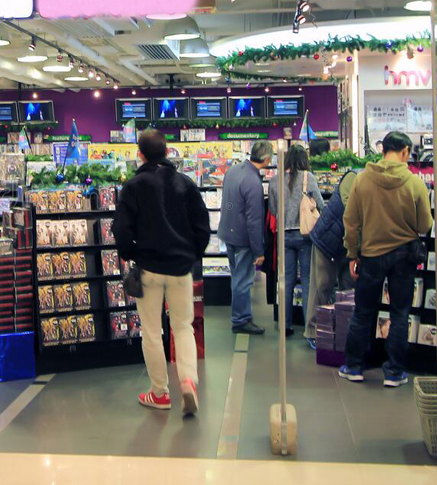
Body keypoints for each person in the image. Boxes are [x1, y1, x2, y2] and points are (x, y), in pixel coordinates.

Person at [112, 130, 210, 415]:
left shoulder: (133, 186)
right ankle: (188, 381)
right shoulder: (185, 184)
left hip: (149, 268)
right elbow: (202, 226)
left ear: (140, 155)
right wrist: (192, 254)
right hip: (181, 268)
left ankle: (160, 393)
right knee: (183, 327)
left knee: (152, 332)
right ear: (167, 152)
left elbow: (121, 230)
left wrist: (132, 253)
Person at [340, 131, 433, 387]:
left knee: (363, 311)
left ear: (383, 151)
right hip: (404, 256)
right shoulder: (414, 183)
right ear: (405, 152)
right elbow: (425, 225)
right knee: (400, 313)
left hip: (371, 254)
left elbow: (351, 221)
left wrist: (352, 253)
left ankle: (354, 366)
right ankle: (394, 372)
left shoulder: (362, 180)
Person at [218, 141, 273, 335]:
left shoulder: (233, 171)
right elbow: (254, 220)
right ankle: (240, 320)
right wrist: (259, 251)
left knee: (237, 277)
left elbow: (228, 202)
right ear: (267, 159)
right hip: (243, 238)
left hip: (228, 233)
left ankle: (243, 314)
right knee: (243, 280)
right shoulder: (253, 182)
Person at [269, 145, 324, 336]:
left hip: (284, 236)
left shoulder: (275, 180)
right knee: (308, 280)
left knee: (286, 280)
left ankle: (284, 325)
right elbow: (320, 204)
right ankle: (309, 327)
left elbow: (273, 209)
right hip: (305, 235)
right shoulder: (309, 178)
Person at [303, 170, 357, 349]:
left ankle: (343, 333)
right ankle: (313, 332)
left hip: (347, 245)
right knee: (321, 287)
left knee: (347, 291)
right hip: (327, 241)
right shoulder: (353, 178)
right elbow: (351, 213)